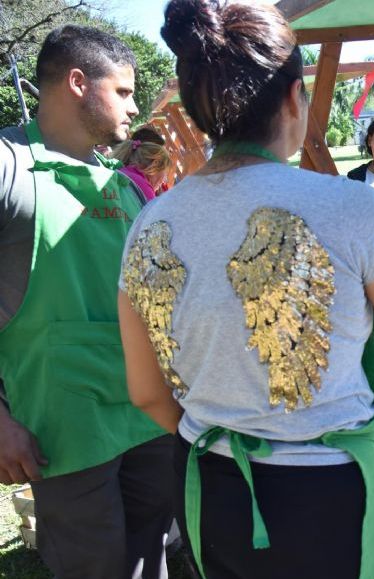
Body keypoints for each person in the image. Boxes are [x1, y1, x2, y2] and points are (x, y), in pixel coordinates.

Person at [119, 2, 374, 579]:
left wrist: (225, 425)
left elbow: (147, 393)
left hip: (205, 481)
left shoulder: (147, 224)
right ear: (295, 98)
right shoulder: (350, 207)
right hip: (324, 493)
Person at [0, 25, 172, 579]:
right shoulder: (8, 169)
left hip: (146, 418)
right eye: (123, 91)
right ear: (77, 82)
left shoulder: (122, 185)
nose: (135, 106)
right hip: (65, 434)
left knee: (157, 557)